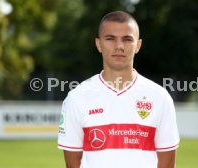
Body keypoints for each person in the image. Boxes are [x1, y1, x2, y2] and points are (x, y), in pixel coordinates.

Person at [58, 10, 180, 168]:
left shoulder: (160, 97)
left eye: (127, 39)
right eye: (110, 39)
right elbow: (73, 163)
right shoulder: (76, 98)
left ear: (138, 45)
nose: (119, 46)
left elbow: (167, 163)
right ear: (98, 44)